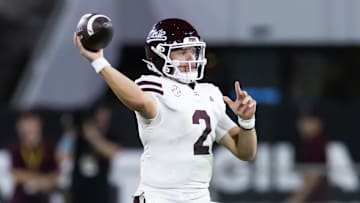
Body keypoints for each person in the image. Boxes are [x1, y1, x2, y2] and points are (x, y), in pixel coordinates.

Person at [74, 18, 257, 203]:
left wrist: (247, 122)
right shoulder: (156, 87)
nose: (191, 58)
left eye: (193, 51)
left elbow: (245, 152)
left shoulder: (209, 94)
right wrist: (99, 62)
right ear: (159, 55)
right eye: (181, 52)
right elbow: (141, 102)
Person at [70, 103, 120, 203]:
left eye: (105, 114)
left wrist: (92, 136)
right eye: (99, 114)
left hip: (99, 190)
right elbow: (62, 154)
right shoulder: (79, 137)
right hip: (79, 189)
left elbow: (110, 152)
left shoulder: (111, 136)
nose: (101, 117)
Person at [9, 110, 59, 203]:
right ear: (19, 127)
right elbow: (14, 173)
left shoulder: (50, 147)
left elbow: (56, 174)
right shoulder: (13, 149)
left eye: (32, 123)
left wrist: (48, 182)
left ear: (39, 124)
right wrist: (42, 180)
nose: (29, 127)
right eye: (25, 124)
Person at [285, 110, 330, 203]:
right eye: (301, 122)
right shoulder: (306, 144)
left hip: (317, 197)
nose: (302, 126)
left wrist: (296, 199)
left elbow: (314, 176)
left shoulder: (317, 144)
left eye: (308, 122)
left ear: (318, 124)